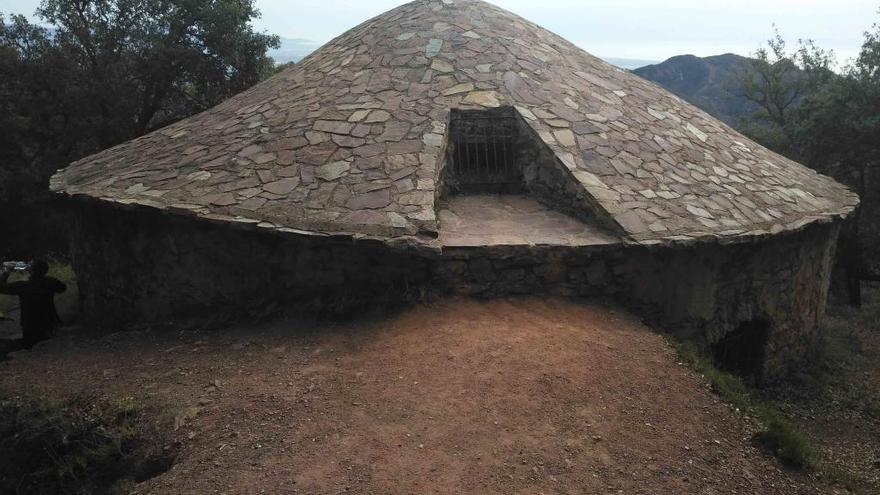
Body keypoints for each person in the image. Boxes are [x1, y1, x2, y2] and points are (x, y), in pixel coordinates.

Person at [0, 260, 66, 349]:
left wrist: (6, 271)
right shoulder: (50, 282)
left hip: (29, 323)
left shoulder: (23, 286)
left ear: (31, 271)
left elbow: (1, 288)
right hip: (48, 320)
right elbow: (62, 288)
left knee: (29, 346)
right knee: (48, 343)